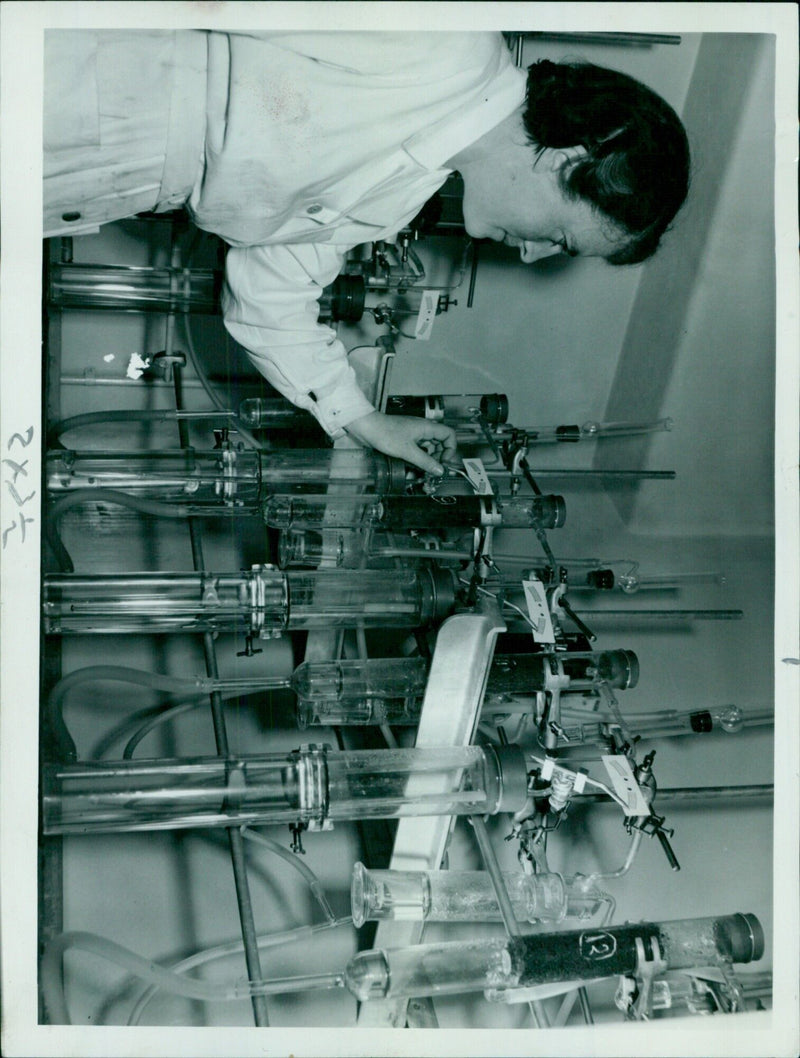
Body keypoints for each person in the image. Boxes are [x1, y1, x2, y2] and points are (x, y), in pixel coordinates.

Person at [44, 30, 690, 474]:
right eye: (560, 238)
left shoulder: (396, 200)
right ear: (566, 160)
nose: (530, 254)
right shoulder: (442, 42)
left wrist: (365, 420)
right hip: (73, 78)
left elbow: (274, 298)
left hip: (92, 184)